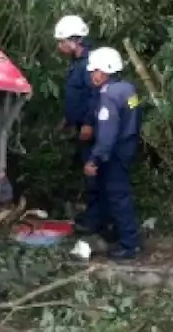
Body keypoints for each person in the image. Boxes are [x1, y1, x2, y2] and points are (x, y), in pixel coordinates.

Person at [82, 47, 144, 260]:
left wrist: (94, 159)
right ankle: (117, 233)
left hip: (114, 152)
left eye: (95, 71)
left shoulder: (108, 96)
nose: (92, 75)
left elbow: (107, 133)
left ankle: (129, 244)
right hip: (128, 147)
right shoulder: (129, 89)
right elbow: (134, 117)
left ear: (104, 71)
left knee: (118, 197)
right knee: (117, 195)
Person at [54, 16, 103, 235]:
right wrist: (67, 118)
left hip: (92, 131)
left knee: (94, 174)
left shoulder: (90, 64)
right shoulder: (77, 63)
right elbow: (78, 96)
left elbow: (96, 96)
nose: (59, 46)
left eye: (62, 41)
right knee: (88, 174)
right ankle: (93, 215)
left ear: (75, 40)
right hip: (80, 125)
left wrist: (88, 124)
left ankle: (96, 221)